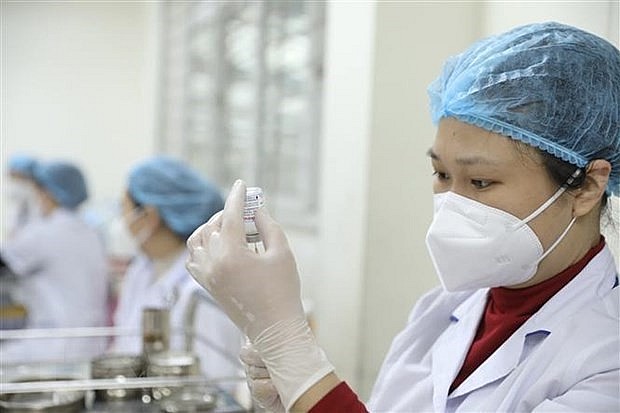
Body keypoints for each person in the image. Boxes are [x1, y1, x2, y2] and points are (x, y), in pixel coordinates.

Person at [185, 21, 620, 412]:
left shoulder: (606, 359)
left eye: (480, 182)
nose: (452, 202)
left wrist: (290, 348)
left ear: (586, 187)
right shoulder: (443, 309)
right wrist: (290, 399)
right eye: (441, 173)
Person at [110, 156, 243, 382]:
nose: (120, 221)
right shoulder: (142, 268)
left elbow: (217, 382)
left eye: (123, 209)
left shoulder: (203, 287)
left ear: (149, 216)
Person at [0, 160, 109, 362]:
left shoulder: (45, 233)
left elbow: (5, 260)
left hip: (54, 346)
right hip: (91, 347)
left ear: (46, 193)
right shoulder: (90, 231)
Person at [3, 154, 41, 240]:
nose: (14, 183)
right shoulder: (15, 208)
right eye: (11, 177)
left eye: (19, 178)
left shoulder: (42, 211)